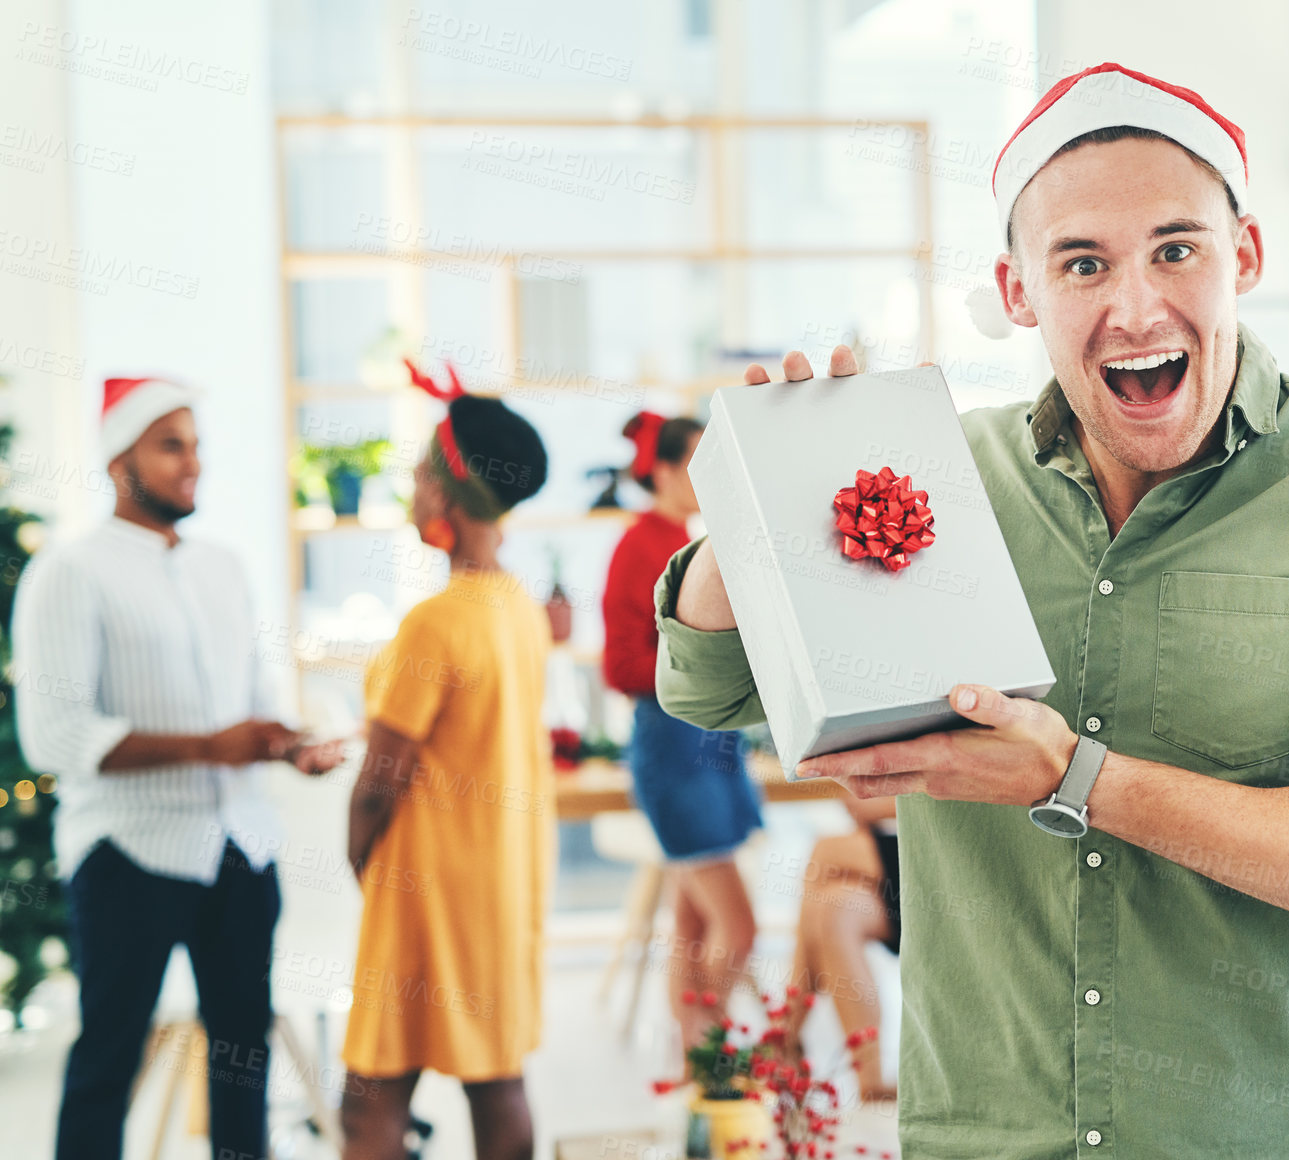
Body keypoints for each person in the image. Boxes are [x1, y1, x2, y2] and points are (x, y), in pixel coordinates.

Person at [653, 63, 1289, 1158]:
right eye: (1082, 262)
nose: (1135, 306)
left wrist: (1083, 781)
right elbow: (710, 687)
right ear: (1019, 290)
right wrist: (755, 491)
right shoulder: (942, 479)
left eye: (1177, 248)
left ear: (1244, 255)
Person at [12, 376, 341, 1160]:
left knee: (241, 1060)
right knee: (109, 1059)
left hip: (240, 849)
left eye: (195, 445)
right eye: (170, 446)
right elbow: (53, 738)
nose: (192, 463)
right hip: (129, 855)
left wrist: (291, 747)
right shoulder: (69, 573)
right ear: (116, 459)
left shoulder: (224, 567)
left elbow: (253, 701)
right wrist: (206, 748)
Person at [340, 363, 553, 1160]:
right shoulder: (517, 606)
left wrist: (359, 856)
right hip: (498, 882)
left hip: (424, 889)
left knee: (370, 1096)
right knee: (495, 1078)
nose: (414, 480)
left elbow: (382, 781)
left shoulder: (434, 622)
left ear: (447, 493)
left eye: (424, 466)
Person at [601, 411, 762, 1060]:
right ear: (665, 472)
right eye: (697, 464)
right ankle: (711, 1054)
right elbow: (619, 665)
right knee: (738, 927)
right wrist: (697, 666)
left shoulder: (688, 540)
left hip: (710, 746)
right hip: (673, 750)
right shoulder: (639, 546)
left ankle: (696, 1060)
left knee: (691, 924)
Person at [783, 796, 899, 1101]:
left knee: (825, 852)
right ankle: (870, 1078)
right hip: (904, 835)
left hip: (943, 846)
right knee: (831, 908)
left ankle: (784, 1038)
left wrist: (882, 804)